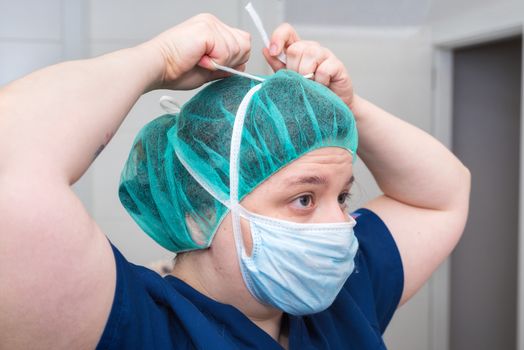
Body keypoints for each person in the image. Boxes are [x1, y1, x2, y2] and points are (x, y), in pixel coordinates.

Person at [0, 13, 470, 350]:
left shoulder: (342, 298)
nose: (342, 226)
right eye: (305, 198)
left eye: (343, 196)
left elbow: (441, 197)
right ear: (201, 211)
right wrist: (155, 61)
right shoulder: (134, 325)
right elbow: (11, 161)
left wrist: (349, 107)